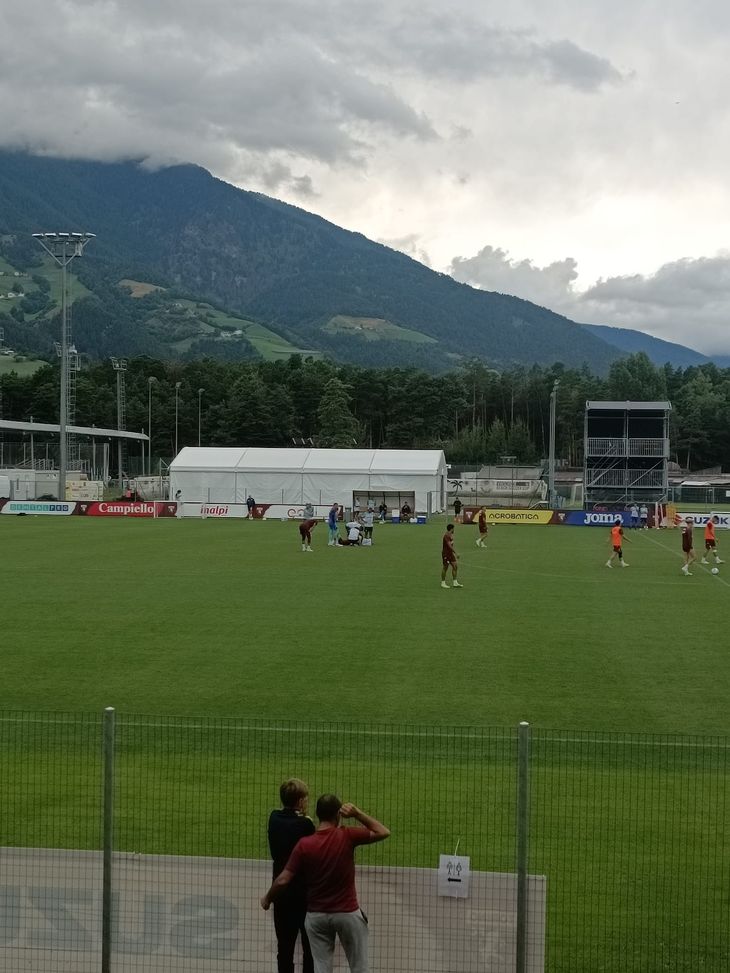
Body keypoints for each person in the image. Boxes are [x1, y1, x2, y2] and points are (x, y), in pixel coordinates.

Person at [261, 794, 390, 973]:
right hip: (347, 913)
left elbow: (283, 879)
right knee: (359, 967)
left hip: (317, 916)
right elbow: (383, 831)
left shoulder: (304, 845)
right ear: (338, 814)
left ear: (317, 814)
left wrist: (267, 898)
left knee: (321, 968)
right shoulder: (347, 835)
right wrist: (357, 813)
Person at [267, 778, 316, 973]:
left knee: (284, 948)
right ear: (300, 801)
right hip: (303, 893)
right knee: (309, 948)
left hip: (281, 892)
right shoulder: (305, 824)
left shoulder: (274, 818)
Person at [441, 523, 463, 588]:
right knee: (445, 567)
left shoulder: (450, 535)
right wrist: (456, 553)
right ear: (451, 529)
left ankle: (455, 582)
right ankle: (443, 583)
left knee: (455, 566)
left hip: (450, 554)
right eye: (453, 528)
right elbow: (449, 545)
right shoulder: (446, 536)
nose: (454, 530)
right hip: (446, 554)